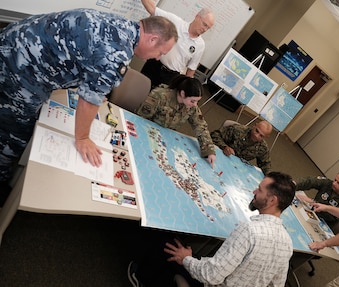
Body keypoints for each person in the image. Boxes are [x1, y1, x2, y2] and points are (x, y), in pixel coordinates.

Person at [0, 8, 177, 200]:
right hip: (20, 67)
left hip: (13, 41)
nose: (158, 58)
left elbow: (85, 57)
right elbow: (89, 101)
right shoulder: (118, 53)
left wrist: (93, 88)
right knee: (14, 133)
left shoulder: (123, 26)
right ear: (152, 39)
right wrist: (82, 138)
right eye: (161, 52)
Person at [128, 171, 296, 287]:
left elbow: (211, 276)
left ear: (272, 200)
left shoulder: (249, 230)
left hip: (212, 282)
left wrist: (186, 259)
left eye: (259, 190)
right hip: (230, 276)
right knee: (193, 254)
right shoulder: (288, 243)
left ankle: (141, 278)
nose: (254, 191)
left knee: (169, 244)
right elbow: (276, 284)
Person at [136, 74, 216, 168]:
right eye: (193, 101)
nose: (195, 105)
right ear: (182, 94)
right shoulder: (160, 96)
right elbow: (140, 119)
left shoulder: (191, 107)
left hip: (165, 139)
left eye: (197, 101)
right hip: (147, 133)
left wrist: (209, 150)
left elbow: (201, 127)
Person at [140, 0, 215, 87]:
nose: (205, 30)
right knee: (138, 90)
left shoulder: (200, 45)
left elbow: (191, 69)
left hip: (170, 77)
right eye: (205, 25)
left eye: (208, 28)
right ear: (197, 16)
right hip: (154, 65)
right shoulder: (176, 22)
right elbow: (153, 10)